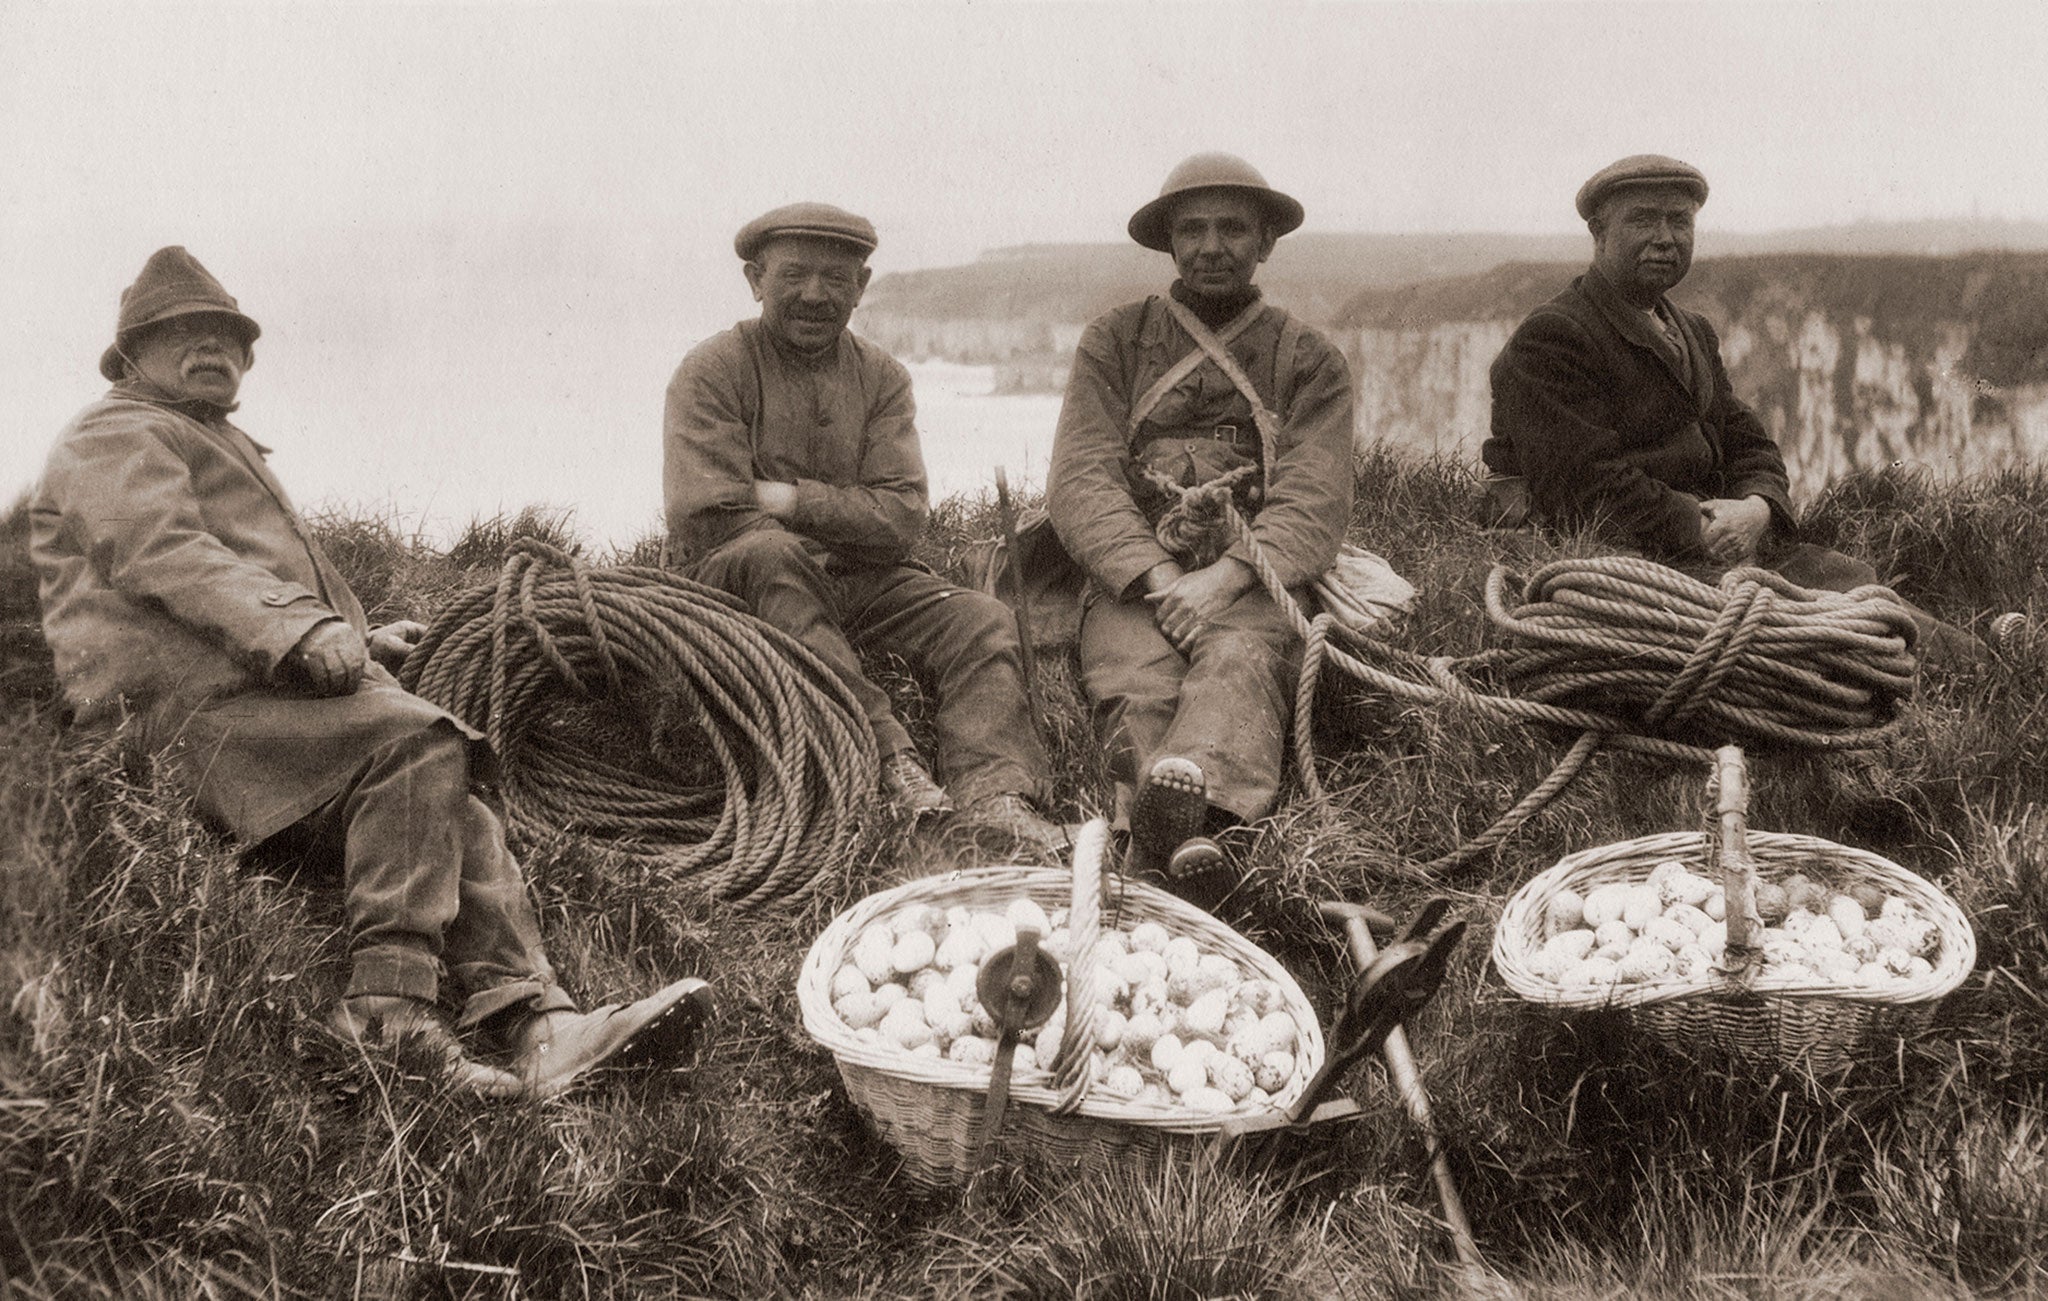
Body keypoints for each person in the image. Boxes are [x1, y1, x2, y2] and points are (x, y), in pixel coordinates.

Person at [31, 247, 712, 1099]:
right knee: (417, 740)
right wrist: (300, 630)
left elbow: (249, 570)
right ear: (130, 354)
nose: (210, 349)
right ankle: (387, 1011)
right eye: (180, 335)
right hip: (173, 718)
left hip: (241, 698)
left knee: (449, 792)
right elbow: (165, 553)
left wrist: (359, 634)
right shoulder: (118, 431)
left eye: (226, 337)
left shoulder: (212, 440)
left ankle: (540, 1023)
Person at [664, 203, 1063, 855]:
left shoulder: (882, 377)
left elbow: (903, 517)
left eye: (836, 277)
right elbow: (708, 513)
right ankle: (890, 765)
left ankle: (996, 795)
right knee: (770, 555)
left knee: (981, 618)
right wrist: (839, 518)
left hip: (863, 582)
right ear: (755, 279)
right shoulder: (713, 369)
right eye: (794, 274)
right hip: (740, 587)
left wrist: (790, 497)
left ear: (862, 286)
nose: (815, 294)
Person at [1485, 154, 1990, 666]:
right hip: (1638, 556)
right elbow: (1582, 485)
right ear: (1599, 233)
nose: (1665, 237)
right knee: (1827, 627)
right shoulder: (1554, 336)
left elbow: (1748, 441)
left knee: (1848, 582)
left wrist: (1758, 508)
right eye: (1643, 219)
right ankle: (1975, 667)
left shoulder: (1693, 330)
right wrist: (1703, 527)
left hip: (1715, 544)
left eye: (1680, 221)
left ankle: (1989, 660)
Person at [1046, 153, 1355, 890]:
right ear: (1169, 243)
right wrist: (1157, 577)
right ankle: (1157, 844)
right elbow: (1080, 475)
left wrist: (1222, 580)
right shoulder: (1114, 342)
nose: (1212, 246)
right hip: (1137, 577)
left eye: (1232, 229)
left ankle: (1190, 836)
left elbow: (1316, 492)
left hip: (1253, 577)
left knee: (1243, 664)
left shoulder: (1308, 358)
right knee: (1135, 682)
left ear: (1265, 243)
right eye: (1193, 230)